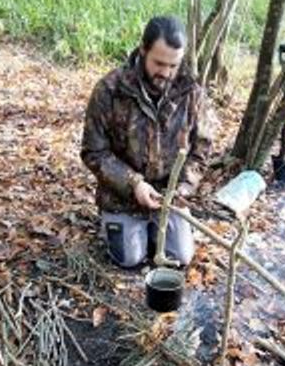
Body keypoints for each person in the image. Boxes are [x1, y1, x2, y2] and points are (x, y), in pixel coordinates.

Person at [81, 15, 212, 268]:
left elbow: (202, 149)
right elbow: (93, 152)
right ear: (143, 50)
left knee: (181, 258)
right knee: (129, 259)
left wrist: (183, 188)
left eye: (173, 65)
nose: (166, 72)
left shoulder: (191, 91)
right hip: (122, 197)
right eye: (159, 63)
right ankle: (129, 229)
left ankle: (156, 229)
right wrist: (134, 184)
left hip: (169, 195)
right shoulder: (110, 89)